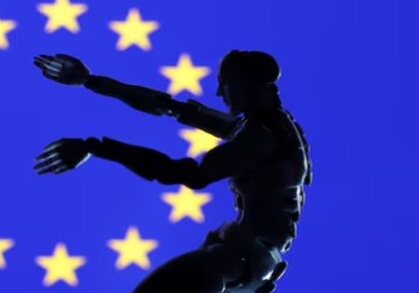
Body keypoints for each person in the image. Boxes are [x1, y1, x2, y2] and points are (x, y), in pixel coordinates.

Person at [32, 50, 312, 293]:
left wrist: (97, 147)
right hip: (244, 258)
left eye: (224, 85)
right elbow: (169, 107)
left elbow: (186, 174)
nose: (219, 93)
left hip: (244, 259)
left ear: (242, 85)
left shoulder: (260, 136)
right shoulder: (266, 126)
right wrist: (90, 80)